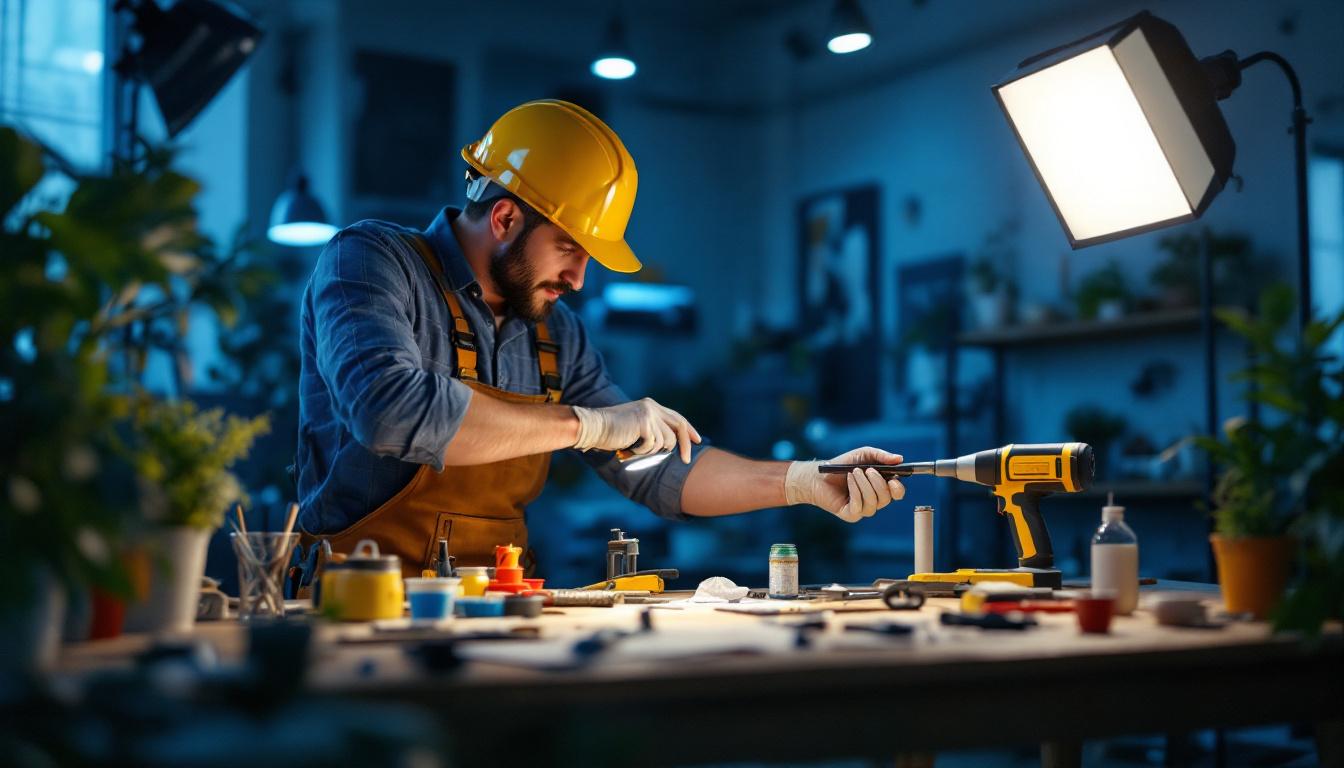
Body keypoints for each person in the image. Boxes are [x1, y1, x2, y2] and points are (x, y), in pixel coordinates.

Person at [296, 99, 904, 576]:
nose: (580, 279)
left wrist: (804, 481)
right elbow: (388, 411)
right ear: (505, 219)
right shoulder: (369, 261)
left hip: (495, 616)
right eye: (569, 249)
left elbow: (657, 470)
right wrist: (586, 424)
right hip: (352, 613)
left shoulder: (556, 332)